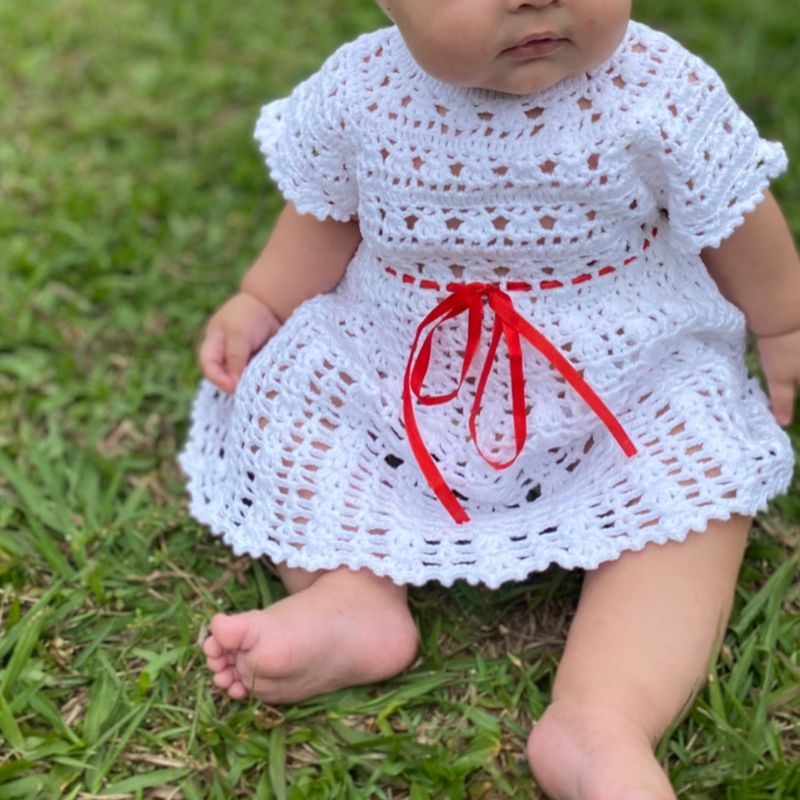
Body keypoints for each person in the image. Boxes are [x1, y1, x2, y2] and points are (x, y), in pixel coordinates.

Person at [179, 1, 800, 797]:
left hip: (619, 379)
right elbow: (326, 220)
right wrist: (261, 303)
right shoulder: (365, 92)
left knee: (698, 481)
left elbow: (736, 219)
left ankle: (602, 717)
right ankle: (349, 597)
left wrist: (781, 326)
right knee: (294, 406)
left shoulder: (660, 87)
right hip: (401, 368)